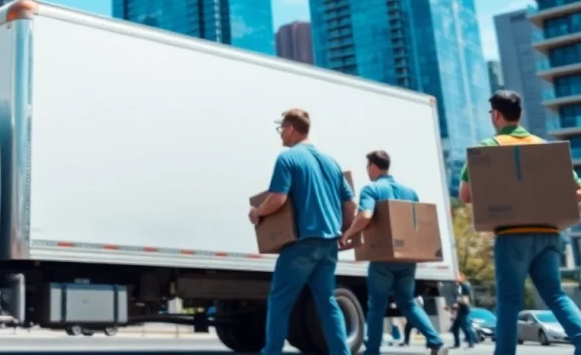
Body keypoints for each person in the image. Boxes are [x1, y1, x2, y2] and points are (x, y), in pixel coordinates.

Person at [459, 90, 581, 355]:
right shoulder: (544, 146)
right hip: (549, 234)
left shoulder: (487, 147)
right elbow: (577, 190)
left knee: (509, 302)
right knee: (556, 295)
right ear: (521, 114)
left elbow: (465, 195)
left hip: (512, 234)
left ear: (495, 115)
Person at [248, 108, 356, 355]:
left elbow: (277, 198)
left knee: (279, 300)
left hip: (302, 245)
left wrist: (257, 212)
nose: (280, 134)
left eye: (281, 129)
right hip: (329, 245)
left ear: (291, 129)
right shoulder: (331, 162)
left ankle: (271, 352)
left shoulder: (288, 159)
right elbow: (350, 205)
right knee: (327, 302)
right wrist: (344, 232)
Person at [339, 150, 447, 355]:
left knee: (376, 306)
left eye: (367, 167)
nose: (367, 171)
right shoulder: (410, 192)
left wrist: (348, 234)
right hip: (407, 258)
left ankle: (372, 350)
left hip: (383, 259)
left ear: (373, 166)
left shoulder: (371, 189)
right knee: (408, 303)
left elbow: (366, 215)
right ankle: (436, 342)